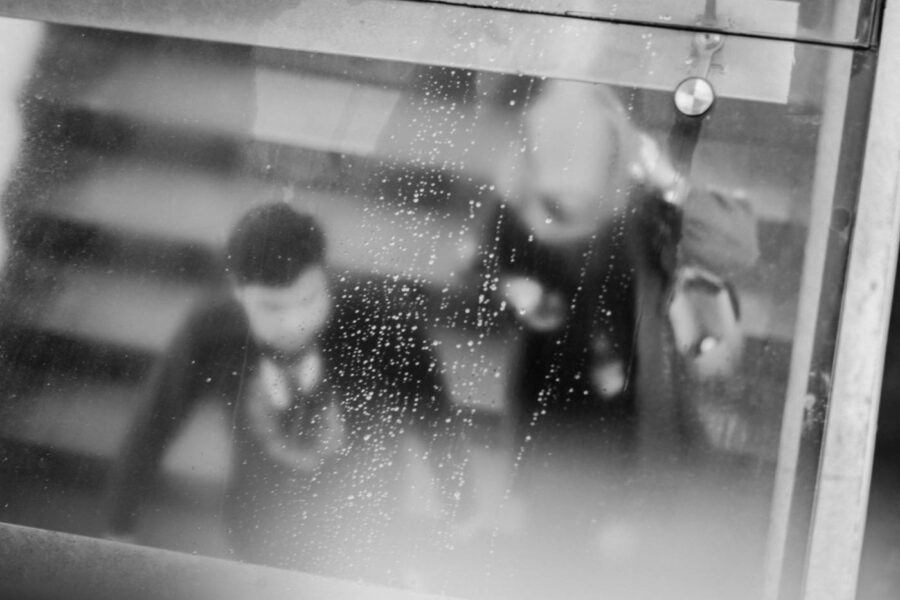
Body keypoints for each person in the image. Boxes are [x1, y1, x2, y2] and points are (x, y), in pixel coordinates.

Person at [465, 80, 759, 548]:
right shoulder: (520, 209)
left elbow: (737, 248)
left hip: (648, 414)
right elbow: (483, 286)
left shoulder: (647, 208)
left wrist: (668, 182)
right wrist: (515, 296)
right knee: (559, 543)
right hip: (560, 415)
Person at [106, 202, 465, 584]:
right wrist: (118, 522)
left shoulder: (380, 322)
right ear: (239, 293)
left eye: (308, 300)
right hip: (261, 533)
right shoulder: (211, 332)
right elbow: (155, 420)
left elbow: (433, 411)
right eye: (272, 307)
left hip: (366, 535)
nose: (294, 322)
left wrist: (461, 504)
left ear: (324, 277)